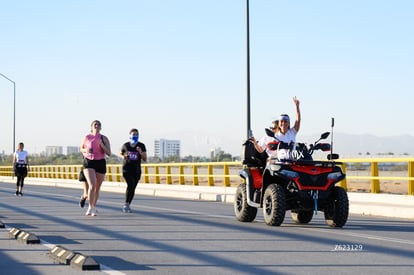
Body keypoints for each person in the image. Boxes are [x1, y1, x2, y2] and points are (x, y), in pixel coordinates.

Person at [80, 120, 111, 216]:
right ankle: (90, 207)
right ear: (92, 127)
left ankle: (93, 206)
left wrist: (102, 146)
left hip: (100, 162)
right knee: (92, 185)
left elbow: (109, 153)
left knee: (97, 188)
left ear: (101, 127)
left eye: (98, 125)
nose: (97, 126)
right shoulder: (87, 137)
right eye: (95, 124)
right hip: (89, 162)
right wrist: (86, 150)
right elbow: (81, 149)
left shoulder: (104, 138)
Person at [119, 128, 147, 213]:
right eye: (133, 134)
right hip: (127, 169)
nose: (135, 136)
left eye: (136, 134)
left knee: (133, 187)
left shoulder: (141, 145)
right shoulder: (126, 145)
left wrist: (140, 152)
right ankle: (126, 204)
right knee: (130, 184)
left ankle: (128, 204)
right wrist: (124, 155)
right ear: (130, 135)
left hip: (136, 170)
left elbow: (145, 158)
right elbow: (120, 153)